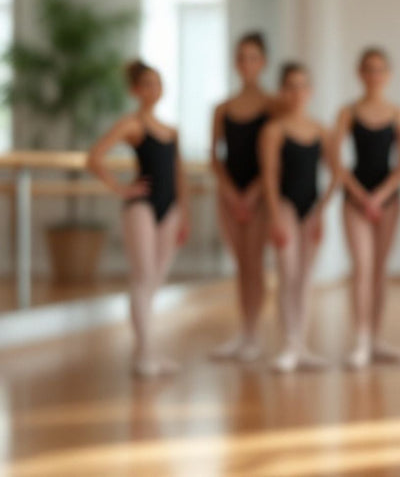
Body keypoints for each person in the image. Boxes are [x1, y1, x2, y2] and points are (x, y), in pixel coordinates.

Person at [87, 60, 190, 378]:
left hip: (169, 208)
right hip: (141, 205)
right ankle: (144, 351)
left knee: (156, 279)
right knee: (143, 275)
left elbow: (178, 173)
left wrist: (183, 211)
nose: (153, 89)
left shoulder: (172, 131)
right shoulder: (132, 124)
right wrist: (121, 187)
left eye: (157, 83)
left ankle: (148, 349)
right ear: (135, 90)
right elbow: (95, 158)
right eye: (146, 83)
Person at [330, 47, 400, 368]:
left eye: (380, 69)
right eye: (369, 69)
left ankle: (376, 338)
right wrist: (361, 195)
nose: (374, 75)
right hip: (356, 198)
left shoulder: (398, 114)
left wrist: (381, 195)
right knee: (361, 268)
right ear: (360, 74)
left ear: (387, 75)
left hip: (388, 197)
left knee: (379, 270)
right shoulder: (347, 113)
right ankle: (360, 338)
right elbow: (337, 160)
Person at [259, 63, 337, 372]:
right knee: (288, 273)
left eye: (302, 86)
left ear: (311, 91)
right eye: (290, 86)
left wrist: (322, 210)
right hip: (286, 207)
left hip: (312, 208)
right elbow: (269, 177)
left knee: (305, 279)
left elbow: (335, 174)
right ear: (282, 90)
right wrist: (275, 217)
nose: (296, 93)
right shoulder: (273, 130)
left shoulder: (321, 130)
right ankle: (289, 344)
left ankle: (302, 345)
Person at [209, 32, 275, 362]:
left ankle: (254, 331)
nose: (246, 64)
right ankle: (242, 331)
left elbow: (276, 157)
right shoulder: (222, 108)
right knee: (240, 264)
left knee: (255, 263)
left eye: (253, 57)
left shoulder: (273, 106)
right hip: (230, 194)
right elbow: (215, 156)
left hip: (260, 195)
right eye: (241, 57)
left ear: (262, 63)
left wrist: (254, 191)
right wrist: (230, 191)